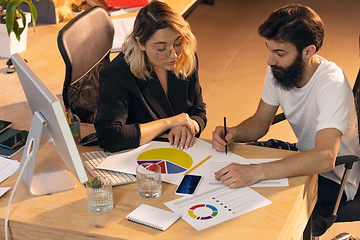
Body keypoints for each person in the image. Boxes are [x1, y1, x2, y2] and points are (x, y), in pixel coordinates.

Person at [212, 4, 360, 210]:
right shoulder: (279, 69)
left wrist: (257, 172)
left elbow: (325, 157)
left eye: (279, 52)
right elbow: (260, 122)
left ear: (308, 51)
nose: (270, 60)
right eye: (269, 50)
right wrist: (234, 132)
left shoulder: (331, 85)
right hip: (302, 157)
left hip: (333, 179)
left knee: (256, 204)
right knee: (226, 173)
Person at [95, 1, 207, 152]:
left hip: (179, 151)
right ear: (140, 43)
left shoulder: (185, 56)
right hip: (139, 157)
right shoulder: (116, 75)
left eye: (178, 43)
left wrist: (190, 126)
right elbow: (110, 137)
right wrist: (169, 123)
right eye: (161, 48)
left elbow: (198, 110)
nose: (173, 54)